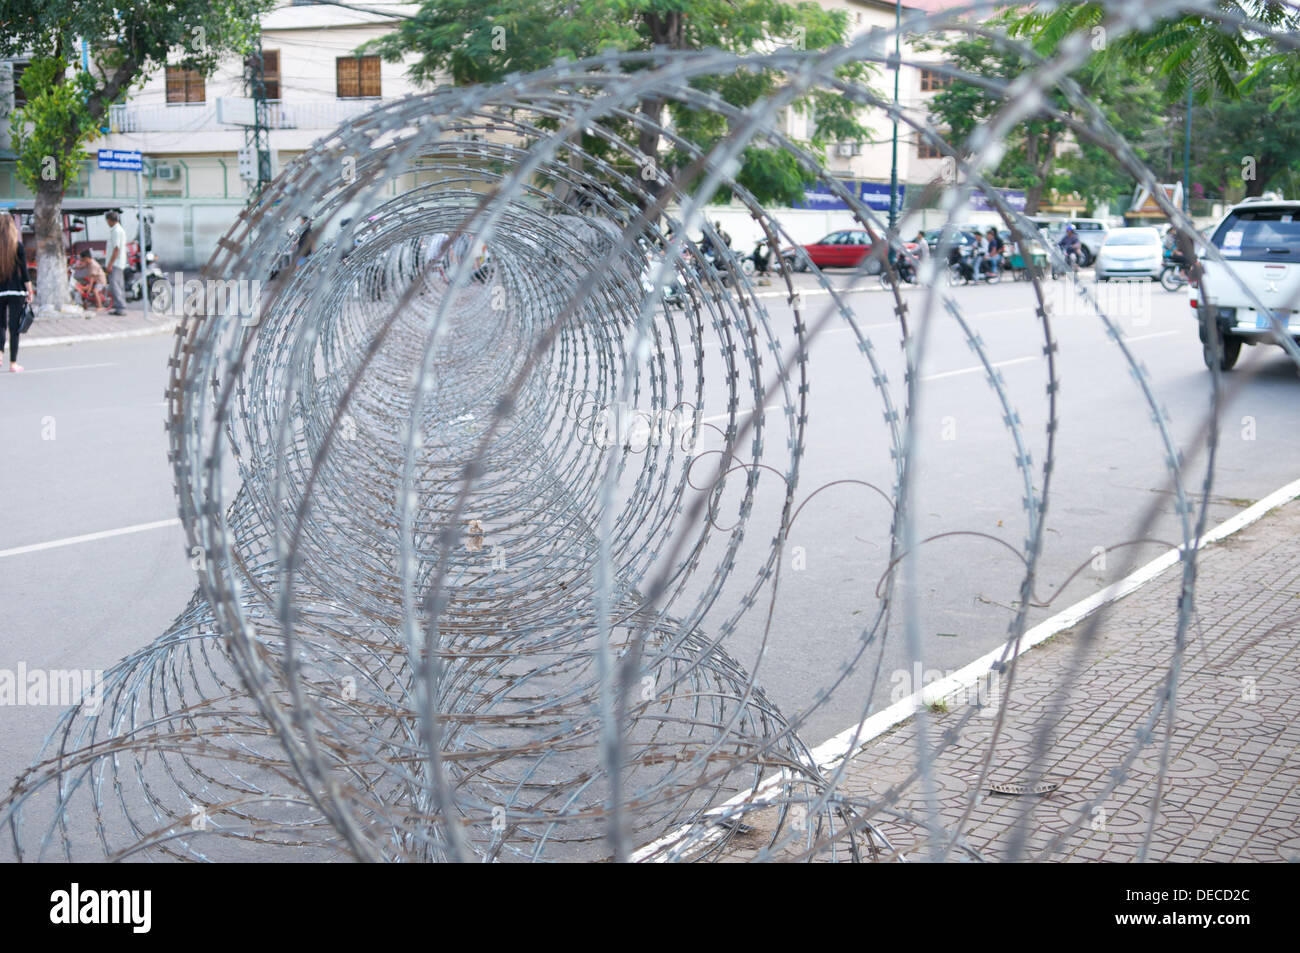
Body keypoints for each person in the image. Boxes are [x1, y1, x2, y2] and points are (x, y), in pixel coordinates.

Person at [0, 214, 33, 372]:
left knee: (0, 325)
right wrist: (30, 290)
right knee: (14, 328)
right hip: (17, 292)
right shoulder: (18, 246)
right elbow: (25, 273)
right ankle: (13, 364)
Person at [103, 210, 128, 315]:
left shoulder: (116, 231)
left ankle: (120, 307)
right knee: (119, 285)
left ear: (109, 220)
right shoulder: (118, 230)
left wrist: (109, 265)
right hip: (119, 263)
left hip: (116, 263)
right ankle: (120, 306)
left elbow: (116, 249)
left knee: (115, 286)